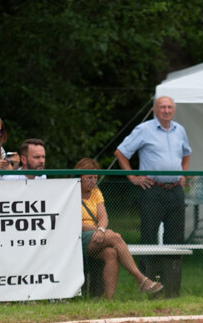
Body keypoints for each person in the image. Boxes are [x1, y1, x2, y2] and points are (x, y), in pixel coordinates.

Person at [115, 96, 192, 297]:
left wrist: (183, 173)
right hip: (152, 190)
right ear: (154, 110)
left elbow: (187, 153)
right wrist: (132, 177)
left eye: (169, 107)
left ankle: (172, 289)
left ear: (174, 110)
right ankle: (149, 287)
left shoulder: (180, 130)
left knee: (175, 240)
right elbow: (121, 152)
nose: (166, 110)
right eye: (162, 107)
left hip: (175, 190)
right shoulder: (144, 129)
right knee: (149, 238)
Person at [75, 158, 163, 298]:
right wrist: (97, 230)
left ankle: (109, 300)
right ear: (79, 177)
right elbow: (74, 223)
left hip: (96, 234)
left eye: (95, 177)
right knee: (115, 237)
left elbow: (104, 217)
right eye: (89, 178)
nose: (93, 181)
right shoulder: (72, 192)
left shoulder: (96, 191)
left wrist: (101, 230)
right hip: (78, 237)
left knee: (111, 253)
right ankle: (141, 279)